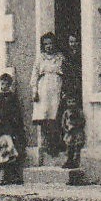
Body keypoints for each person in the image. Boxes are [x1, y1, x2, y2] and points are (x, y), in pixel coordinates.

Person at [31, 33, 65, 166]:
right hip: (44, 88)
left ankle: (56, 145)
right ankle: (47, 145)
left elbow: (64, 73)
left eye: (50, 43)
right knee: (45, 117)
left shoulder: (60, 57)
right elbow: (34, 75)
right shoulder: (40, 59)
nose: (49, 47)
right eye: (46, 44)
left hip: (56, 87)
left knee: (55, 116)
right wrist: (34, 91)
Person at [0, 71, 25, 182]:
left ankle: (12, 176)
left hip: (9, 127)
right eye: (2, 83)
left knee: (10, 148)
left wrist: (13, 123)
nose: (4, 86)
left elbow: (17, 113)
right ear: (0, 83)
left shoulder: (13, 97)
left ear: (10, 85)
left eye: (7, 84)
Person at [59, 91, 86, 170]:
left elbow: (82, 121)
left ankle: (75, 161)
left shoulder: (79, 112)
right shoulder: (66, 113)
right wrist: (66, 129)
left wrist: (76, 126)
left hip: (77, 132)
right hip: (69, 133)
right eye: (69, 102)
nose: (71, 104)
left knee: (77, 146)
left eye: (73, 102)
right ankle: (69, 160)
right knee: (69, 146)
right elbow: (63, 123)